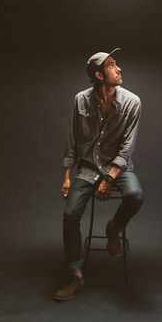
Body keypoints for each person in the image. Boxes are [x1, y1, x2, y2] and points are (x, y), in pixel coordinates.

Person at [53, 48, 144, 301]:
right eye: (112, 65)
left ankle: (114, 229)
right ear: (99, 75)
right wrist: (67, 175)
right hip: (86, 167)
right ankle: (75, 276)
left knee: (135, 195)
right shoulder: (80, 100)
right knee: (70, 214)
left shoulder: (132, 101)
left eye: (117, 64)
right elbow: (72, 139)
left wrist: (110, 178)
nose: (119, 69)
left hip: (118, 167)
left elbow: (127, 148)